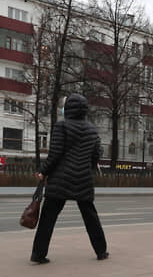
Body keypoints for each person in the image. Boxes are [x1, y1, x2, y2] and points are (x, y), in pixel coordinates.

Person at [31, 94, 108, 263]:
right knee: (90, 216)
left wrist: (43, 171)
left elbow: (55, 154)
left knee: (48, 218)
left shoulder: (62, 126)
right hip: (83, 179)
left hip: (61, 179)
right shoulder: (91, 129)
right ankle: (101, 251)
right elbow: (97, 153)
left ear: (69, 108)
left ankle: (38, 254)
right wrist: (88, 167)